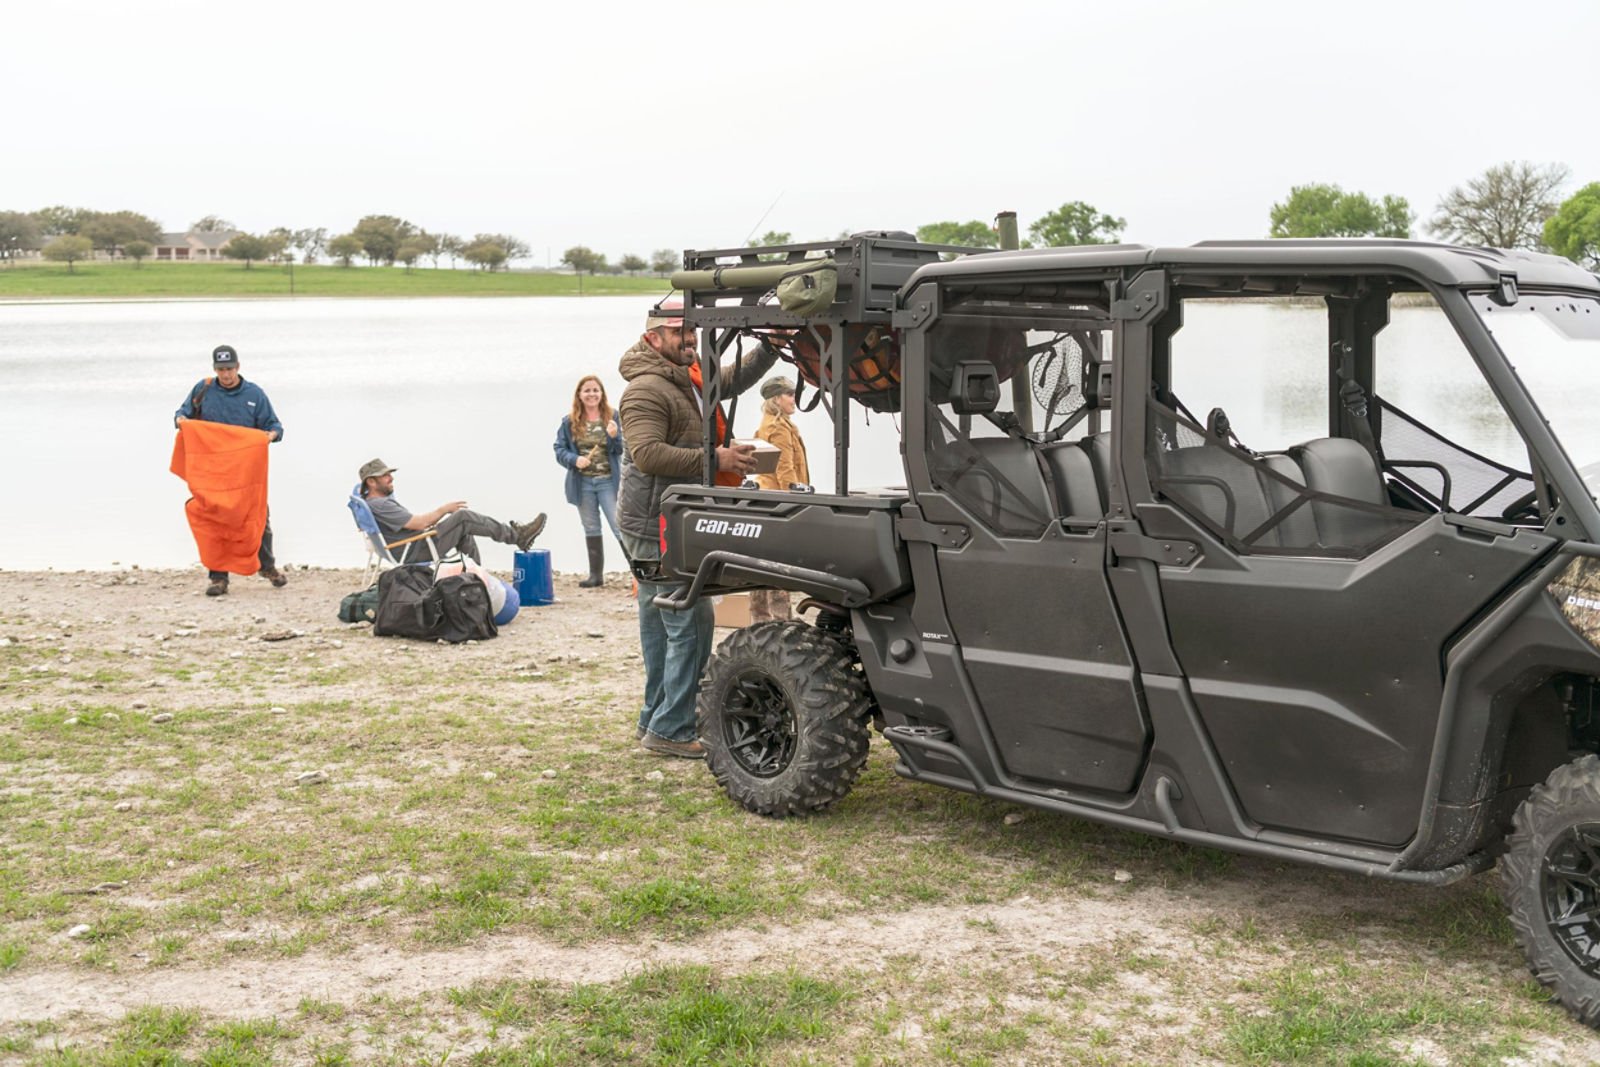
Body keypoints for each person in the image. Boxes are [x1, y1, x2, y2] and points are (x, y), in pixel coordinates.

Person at [617, 298, 779, 758]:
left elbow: (732, 379)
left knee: (659, 621)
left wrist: (770, 345)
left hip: (661, 518)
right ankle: (672, 728)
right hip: (656, 523)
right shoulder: (646, 390)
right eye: (679, 333)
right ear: (652, 338)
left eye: (692, 332)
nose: (689, 340)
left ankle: (655, 717)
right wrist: (719, 459)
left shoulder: (685, 375)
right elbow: (648, 454)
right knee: (690, 618)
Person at [173, 344, 287, 597]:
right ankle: (218, 578)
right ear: (215, 369)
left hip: (245, 472)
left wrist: (271, 435)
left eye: (230, 369)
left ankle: (267, 567)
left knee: (257, 517)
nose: (225, 374)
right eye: (221, 369)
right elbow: (183, 413)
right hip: (212, 471)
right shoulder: (203, 389)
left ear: (238, 367)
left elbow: (274, 424)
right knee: (214, 522)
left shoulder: (254, 394)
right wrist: (181, 421)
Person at [357, 459, 546, 564]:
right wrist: (444, 510)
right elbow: (420, 523)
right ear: (371, 482)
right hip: (413, 550)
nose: (391, 478)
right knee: (463, 518)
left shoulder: (372, 501)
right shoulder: (380, 505)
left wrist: (434, 522)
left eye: (390, 474)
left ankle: (476, 579)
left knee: (463, 529)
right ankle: (516, 536)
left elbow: (412, 525)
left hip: (409, 544)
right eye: (385, 476)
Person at [748, 375, 810, 623]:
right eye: (790, 395)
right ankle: (780, 620)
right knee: (775, 563)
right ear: (776, 398)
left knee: (762, 563)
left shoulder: (773, 424)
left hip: (768, 499)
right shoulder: (778, 427)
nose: (794, 400)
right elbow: (785, 471)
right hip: (777, 500)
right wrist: (792, 506)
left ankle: (761, 620)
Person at [553, 375, 625, 588]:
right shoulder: (569, 421)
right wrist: (575, 460)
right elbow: (559, 450)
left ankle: (639, 574)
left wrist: (614, 436)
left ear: (602, 393)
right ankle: (596, 576)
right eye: (587, 390)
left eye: (595, 390)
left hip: (608, 483)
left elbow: (620, 450)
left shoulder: (613, 417)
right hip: (582, 484)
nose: (592, 394)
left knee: (619, 527)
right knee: (591, 527)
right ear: (579, 395)